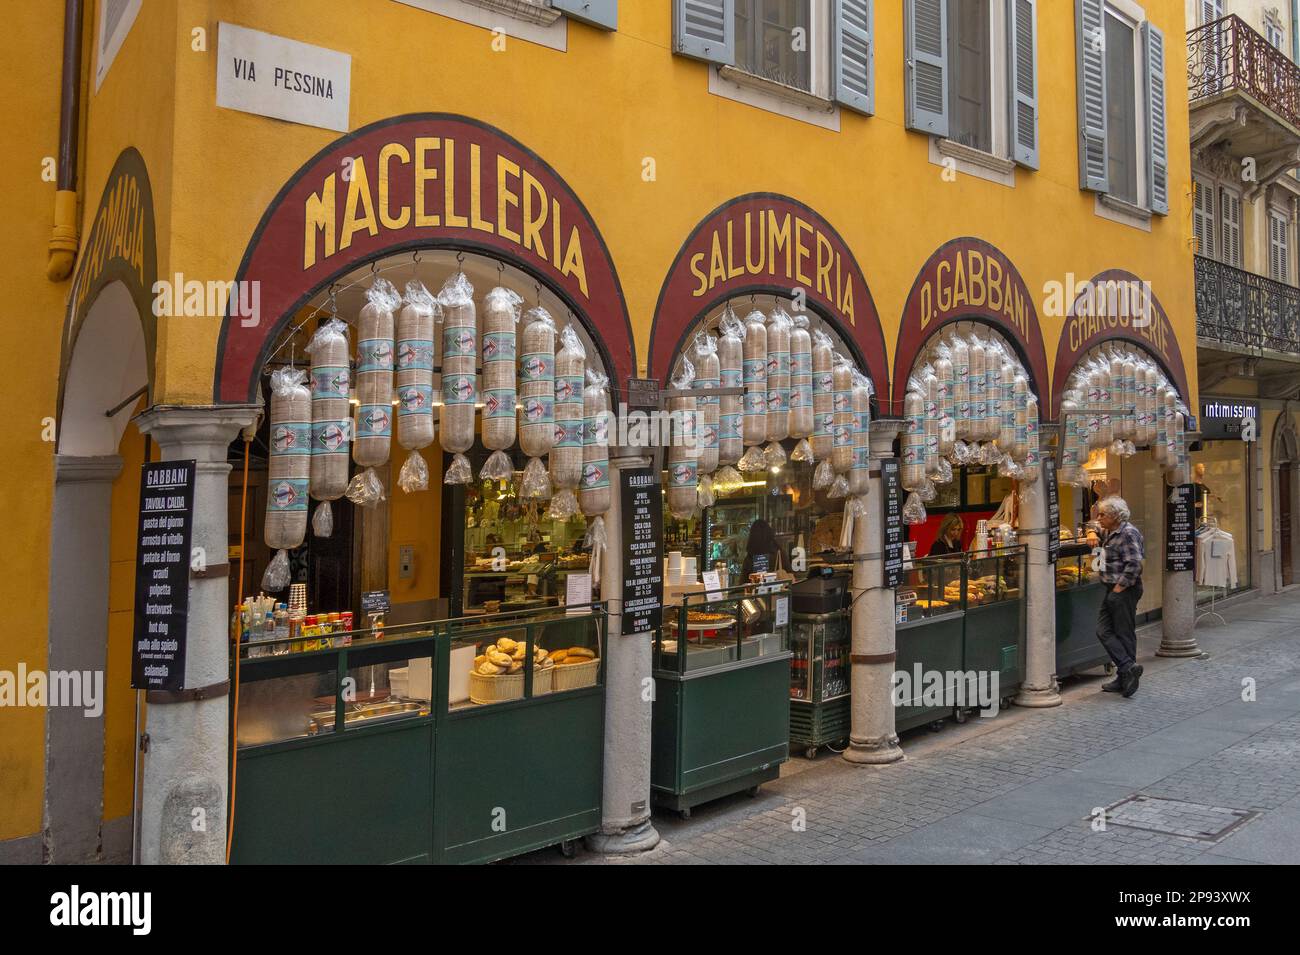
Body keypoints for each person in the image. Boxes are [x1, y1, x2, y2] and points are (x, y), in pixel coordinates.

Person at [1095, 496, 1145, 698]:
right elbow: (1094, 528)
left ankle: (1125, 676)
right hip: (1112, 588)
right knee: (1103, 630)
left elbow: (1134, 563)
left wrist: (1118, 588)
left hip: (1123, 590)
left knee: (1124, 633)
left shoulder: (1127, 533)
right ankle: (1127, 669)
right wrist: (1091, 531)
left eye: (1102, 514)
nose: (1099, 518)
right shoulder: (1110, 530)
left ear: (1115, 516)